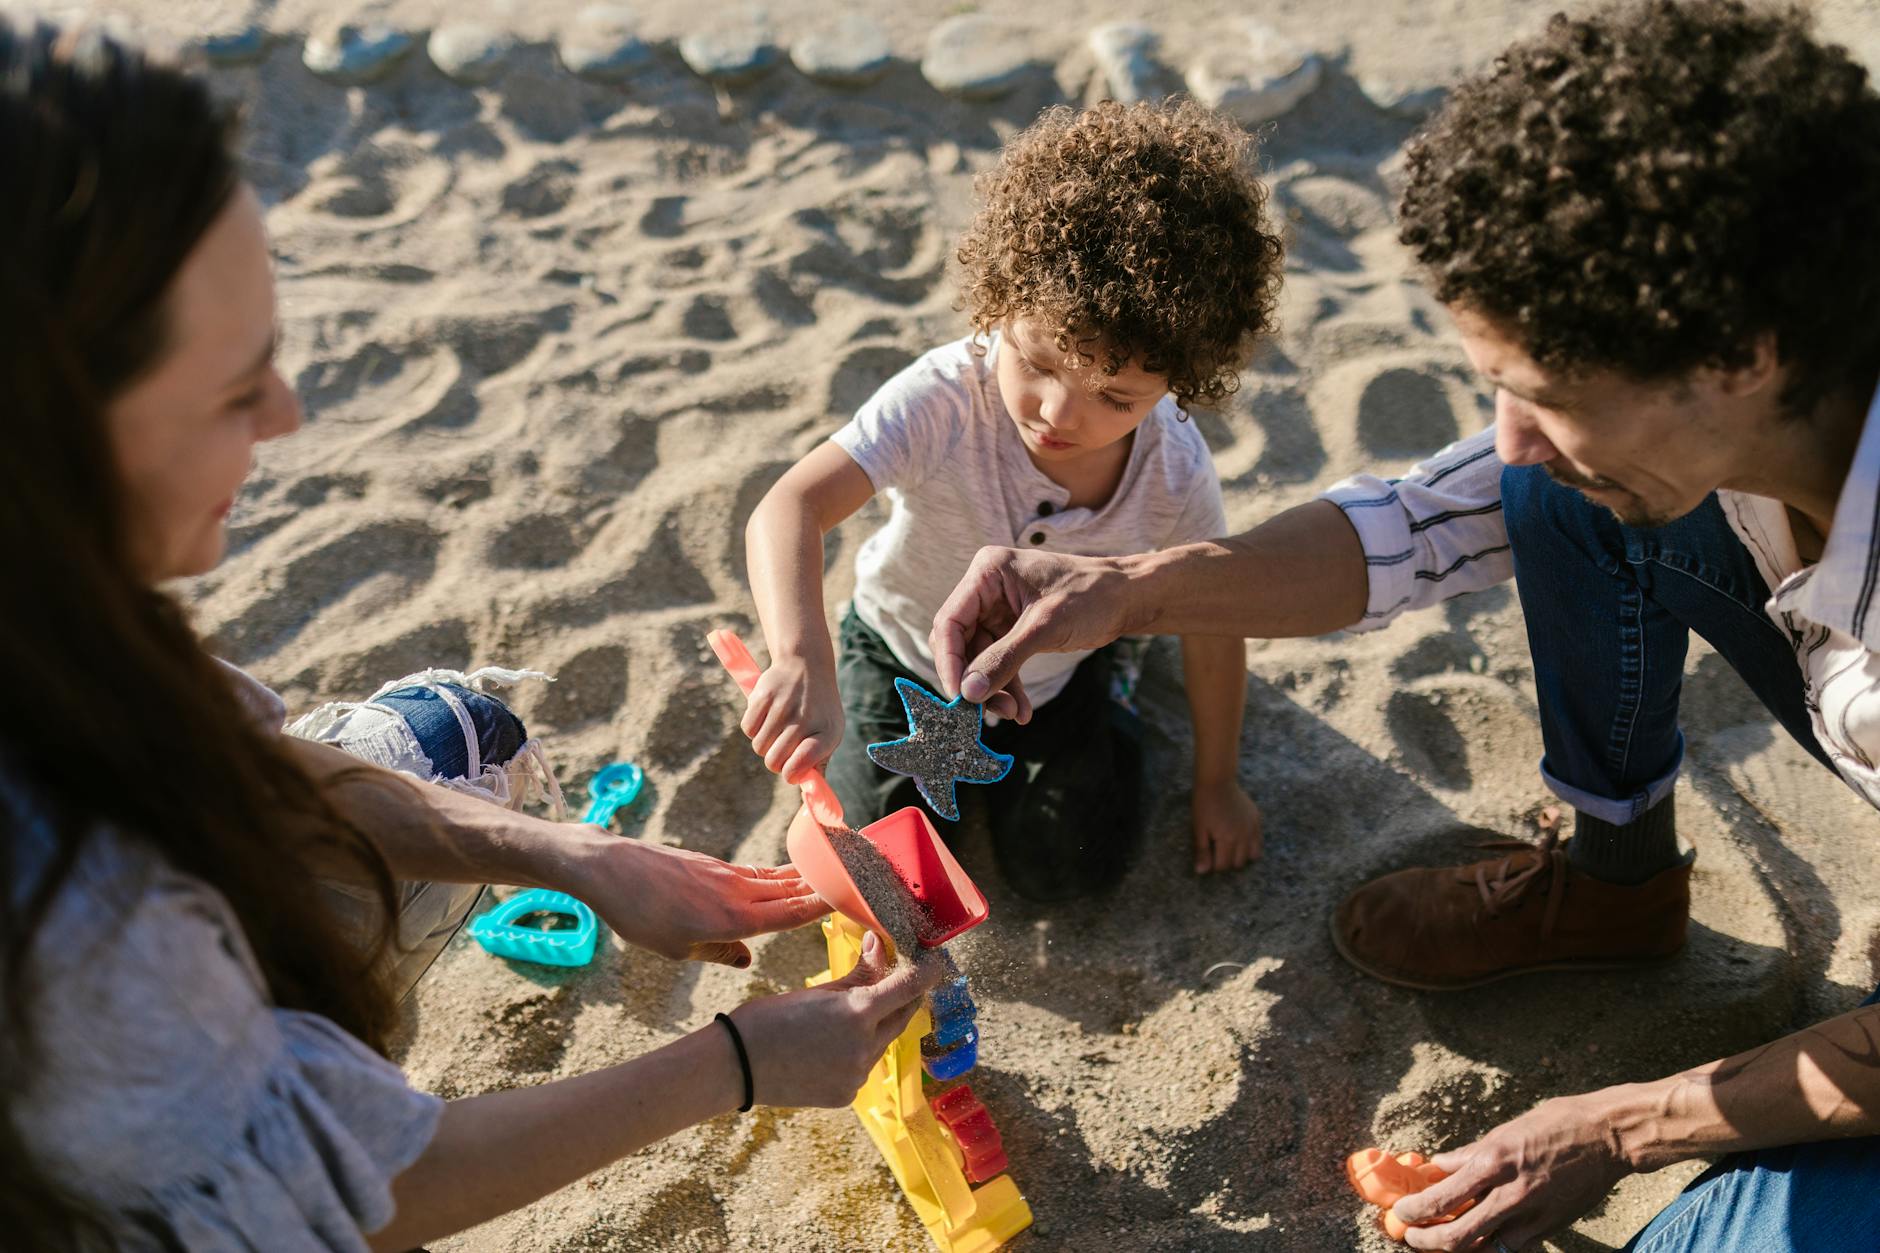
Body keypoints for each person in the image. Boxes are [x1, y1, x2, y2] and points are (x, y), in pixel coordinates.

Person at [925, 2, 1880, 1248]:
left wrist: (1616, 1124)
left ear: (1738, 356)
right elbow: (1430, 519)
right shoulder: (1779, 389)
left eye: (1540, 394)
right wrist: (1133, 589)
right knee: (1558, 494)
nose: (1505, 435)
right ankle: (1610, 883)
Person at [0, 22, 940, 1251]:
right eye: (237, 390)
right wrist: (737, 1062)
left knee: (461, 732)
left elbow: (248, 761)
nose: (284, 416)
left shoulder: (53, 594)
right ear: (59, 433)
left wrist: (574, 858)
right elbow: (360, 1193)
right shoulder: (84, 902)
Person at [737, 100, 1278, 901]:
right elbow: (788, 505)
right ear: (1005, 298)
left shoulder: (1175, 471)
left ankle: (1121, 673)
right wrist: (798, 653)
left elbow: (1210, 616)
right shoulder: (946, 398)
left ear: (1178, 384)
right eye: (1038, 360)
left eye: (1115, 397)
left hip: (1057, 681)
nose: (1059, 412)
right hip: (900, 655)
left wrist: (1217, 782)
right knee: (892, 877)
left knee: (1070, 868)